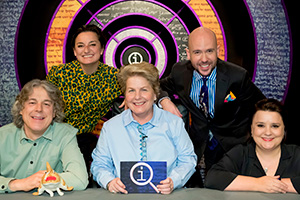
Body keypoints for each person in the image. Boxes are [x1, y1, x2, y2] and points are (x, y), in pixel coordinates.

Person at [159, 27, 265, 184]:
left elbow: (261, 106)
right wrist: (164, 101)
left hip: (232, 146)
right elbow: (157, 86)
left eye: (209, 51)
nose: (204, 59)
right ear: (188, 54)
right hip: (197, 146)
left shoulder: (237, 76)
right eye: (197, 52)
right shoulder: (179, 72)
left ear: (218, 50)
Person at [91, 62, 197, 194]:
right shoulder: (110, 128)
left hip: (166, 196)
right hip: (124, 196)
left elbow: (188, 159)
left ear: (155, 94)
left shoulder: (173, 123)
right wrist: (109, 181)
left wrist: (173, 181)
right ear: (125, 95)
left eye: (144, 90)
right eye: (131, 90)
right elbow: (99, 164)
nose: (137, 96)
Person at [46, 25, 122, 176]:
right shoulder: (58, 74)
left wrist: (129, 95)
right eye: (80, 46)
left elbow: (145, 84)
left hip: (88, 138)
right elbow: (42, 101)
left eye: (92, 44)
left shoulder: (114, 77)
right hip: (57, 135)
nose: (86, 50)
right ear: (74, 51)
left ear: (101, 49)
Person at [0, 79, 88, 193]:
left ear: (54, 112)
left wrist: (43, 180)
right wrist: (19, 184)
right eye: (32, 102)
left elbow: (80, 179)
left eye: (46, 104)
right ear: (21, 108)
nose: (39, 109)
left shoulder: (65, 135)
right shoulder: (2, 135)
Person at [205, 99, 300, 194]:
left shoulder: (296, 154)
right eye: (260, 125)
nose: (267, 132)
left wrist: (273, 185)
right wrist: (258, 184)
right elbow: (212, 178)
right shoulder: (240, 153)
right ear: (251, 129)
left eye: (275, 126)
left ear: (284, 130)